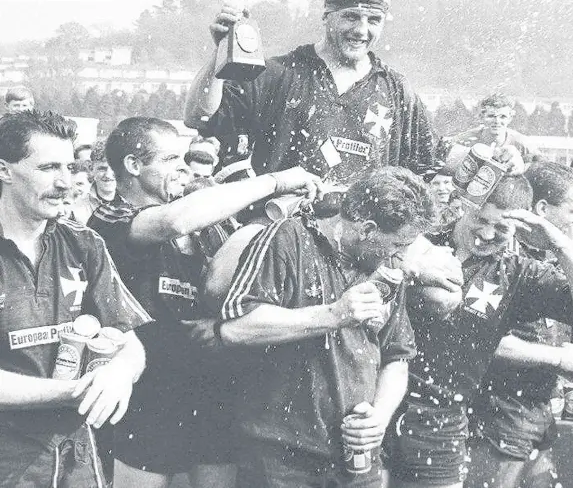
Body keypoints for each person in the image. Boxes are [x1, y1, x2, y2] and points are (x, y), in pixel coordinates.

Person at [87, 116, 323, 488]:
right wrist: (274, 181)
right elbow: (174, 222)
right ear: (133, 166)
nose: (183, 168)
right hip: (149, 393)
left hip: (211, 388)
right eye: (169, 159)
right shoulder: (109, 218)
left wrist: (277, 212)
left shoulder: (208, 226)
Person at [215, 167, 438, 488]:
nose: (403, 257)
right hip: (282, 457)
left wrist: (380, 417)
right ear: (367, 228)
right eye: (399, 244)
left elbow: (397, 358)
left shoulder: (387, 267)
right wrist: (332, 315)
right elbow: (235, 329)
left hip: (357, 459)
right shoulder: (286, 239)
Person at [387, 175, 573, 488]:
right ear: (463, 204)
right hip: (377, 406)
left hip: (440, 424)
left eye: (501, 229)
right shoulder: (418, 241)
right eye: (481, 220)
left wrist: (556, 242)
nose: (487, 234)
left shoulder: (518, 275)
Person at [0, 111, 152, 487]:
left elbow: (130, 344)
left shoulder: (83, 243)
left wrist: (119, 373)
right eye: (49, 167)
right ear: (4, 170)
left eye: (70, 167)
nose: (65, 182)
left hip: (75, 455)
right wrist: (76, 390)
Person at [185, 0, 435, 186]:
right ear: (326, 15)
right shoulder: (278, 74)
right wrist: (220, 55)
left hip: (360, 235)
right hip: (281, 227)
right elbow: (198, 117)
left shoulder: (397, 90)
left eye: (373, 20)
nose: (361, 30)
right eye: (350, 16)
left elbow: (425, 166)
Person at [467, 161, 573, 488]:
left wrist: (558, 244)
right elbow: (478, 337)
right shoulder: (497, 259)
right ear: (541, 209)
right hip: (501, 418)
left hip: (534, 416)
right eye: (571, 209)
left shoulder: (542, 260)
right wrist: (557, 358)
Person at [444, 93, 540, 164]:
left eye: (503, 117)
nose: (497, 121)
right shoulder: (463, 141)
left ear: (510, 118)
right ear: (481, 117)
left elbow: (539, 169)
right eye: (491, 116)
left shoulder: (524, 144)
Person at [73, 139, 119, 224]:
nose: (108, 175)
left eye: (113, 168)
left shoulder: (133, 203)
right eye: (102, 169)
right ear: (91, 169)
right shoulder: (76, 209)